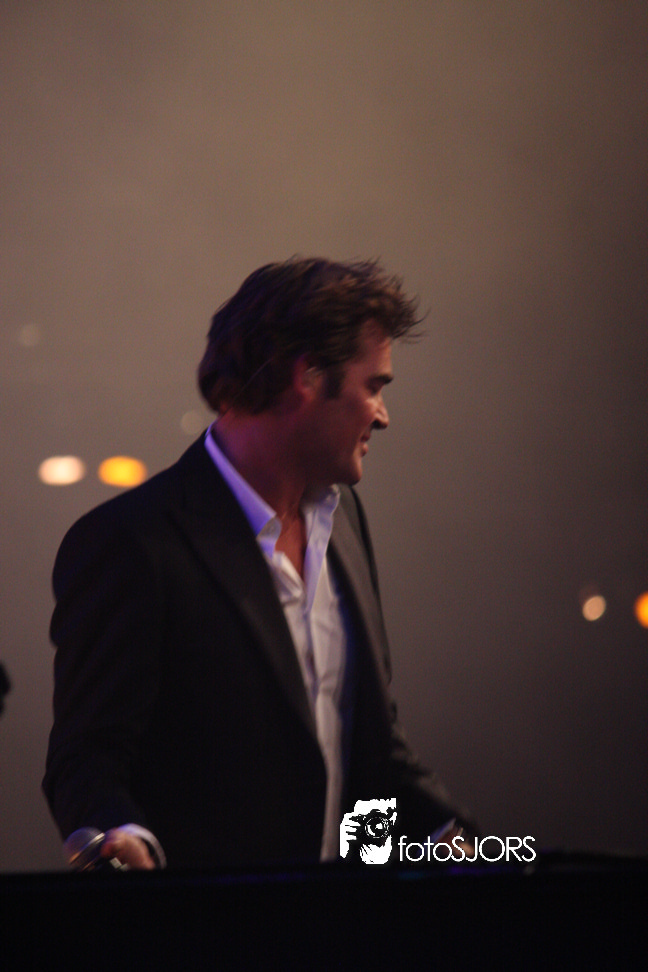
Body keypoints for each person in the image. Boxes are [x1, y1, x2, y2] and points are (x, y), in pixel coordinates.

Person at [43, 257, 476, 869]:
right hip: (206, 925)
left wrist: (456, 845)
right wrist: (122, 839)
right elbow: (87, 757)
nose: (382, 414)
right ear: (307, 376)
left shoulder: (344, 520)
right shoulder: (132, 541)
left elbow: (371, 748)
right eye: (374, 386)